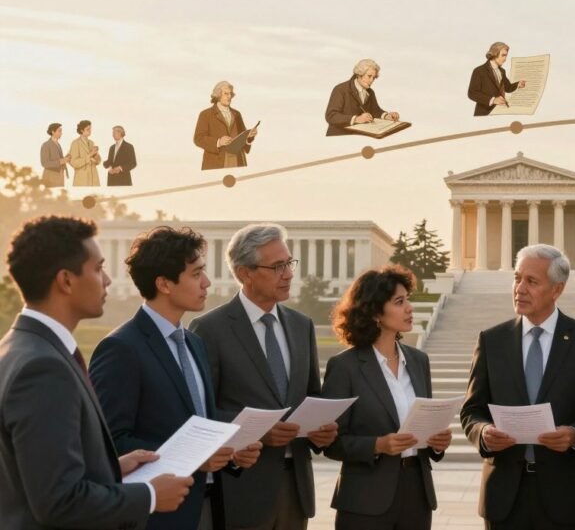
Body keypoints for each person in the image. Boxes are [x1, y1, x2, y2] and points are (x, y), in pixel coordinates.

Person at [0, 215, 194, 529]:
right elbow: (58, 501)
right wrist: (149, 496)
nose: (107, 280)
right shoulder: (43, 368)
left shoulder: (17, 347)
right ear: (66, 280)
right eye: (98, 268)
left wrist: (112, 470)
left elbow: (37, 473)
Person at [89, 227, 263, 530]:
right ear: (164, 284)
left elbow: (201, 424)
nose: (207, 282)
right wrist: (195, 459)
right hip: (157, 517)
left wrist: (232, 452)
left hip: (209, 507)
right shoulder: (121, 348)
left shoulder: (194, 343)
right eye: (197, 274)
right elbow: (111, 442)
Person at [189, 223, 339, 529]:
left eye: (289, 263)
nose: (288, 274)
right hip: (240, 489)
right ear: (245, 273)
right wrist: (258, 431)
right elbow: (201, 413)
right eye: (277, 267)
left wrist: (320, 431)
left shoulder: (301, 325)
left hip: (295, 490)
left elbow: (312, 395)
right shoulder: (210, 329)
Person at [461, 244, 575, 529]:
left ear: (557, 290)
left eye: (531, 281)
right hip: (504, 497)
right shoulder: (491, 341)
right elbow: (472, 411)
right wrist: (483, 433)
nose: (519, 288)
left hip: (567, 496)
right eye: (517, 278)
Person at [321, 265, 453, 529]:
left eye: (408, 300)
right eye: (399, 302)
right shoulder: (344, 367)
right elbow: (332, 443)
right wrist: (377, 445)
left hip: (417, 496)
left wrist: (437, 442)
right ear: (375, 312)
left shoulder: (418, 361)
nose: (410, 308)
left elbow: (425, 426)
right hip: (364, 501)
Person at [325, 59, 401, 135]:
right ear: (359, 74)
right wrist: (356, 119)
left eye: (374, 77)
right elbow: (331, 115)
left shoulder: (370, 92)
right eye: (369, 76)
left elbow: (375, 111)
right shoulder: (340, 89)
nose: (371, 80)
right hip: (339, 136)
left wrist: (387, 116)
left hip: (359, 136)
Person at [193, 81, 258, 170]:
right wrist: (218, 142)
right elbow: (198, 139)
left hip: (237, 161)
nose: (229, 96)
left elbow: (242, 136)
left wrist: (249, 136)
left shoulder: (236, 114)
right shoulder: (206, 114)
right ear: (218, 95)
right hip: (216, 162)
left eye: (230, 94)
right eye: (226, 94)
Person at [468, 42, 527, 115]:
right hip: (484, 113)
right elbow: (472, 93)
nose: (505, 59)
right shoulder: (479, 71)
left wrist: (518, 84)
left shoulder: (502, 71)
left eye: (506, 56)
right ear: (494, 54)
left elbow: (507, 88)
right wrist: (493, 100)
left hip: (500, 112)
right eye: (503, 55)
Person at [69, 119, 101, 186]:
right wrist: (89, 156)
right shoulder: (75, 143)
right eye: (88, 129)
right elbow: (74, 163)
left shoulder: (91, 143)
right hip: (82, 178)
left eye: (90, 129)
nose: (90, 131)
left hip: (93, 177)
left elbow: (98, 161)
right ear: (81, 130)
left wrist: (96, 156)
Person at [40, 122, 70, 187]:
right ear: (53, 132)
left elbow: (58, 159)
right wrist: (61, 161)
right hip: (51, 177)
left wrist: (66, 158)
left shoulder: (58, 144)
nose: (61, 133)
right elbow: (45, 163)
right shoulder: (46, 145)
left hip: (60, 176)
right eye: (59, 131)